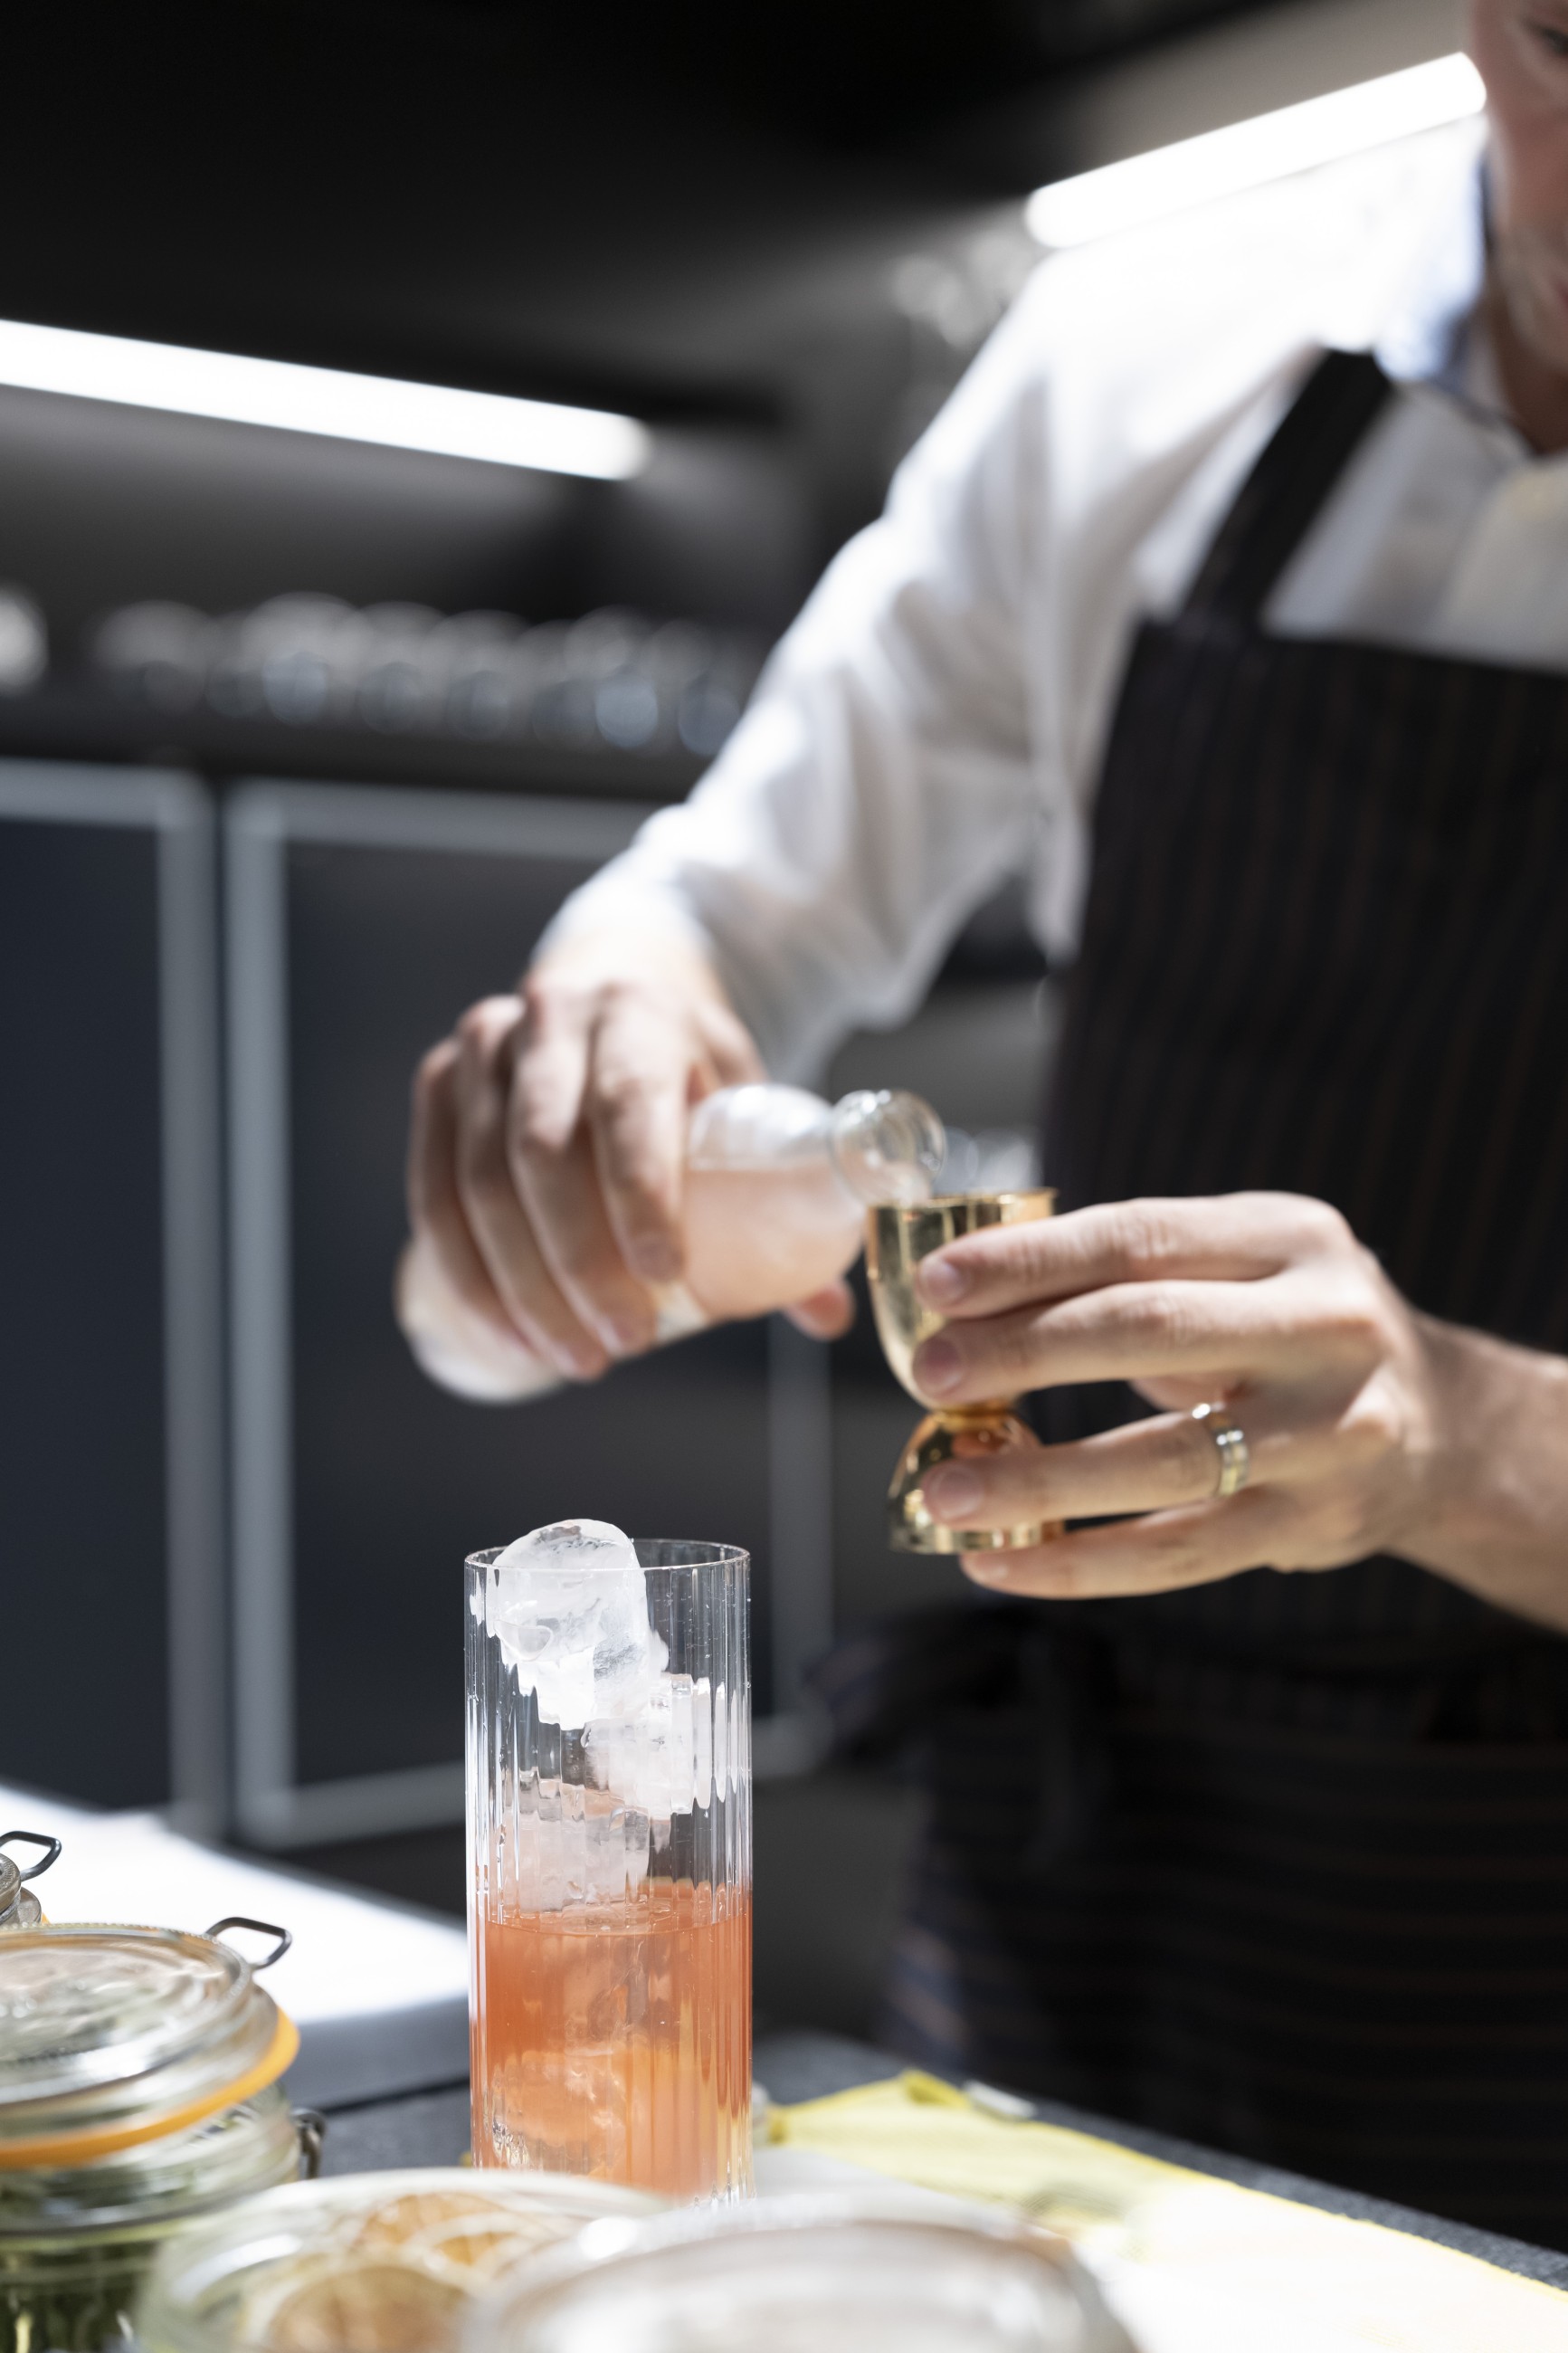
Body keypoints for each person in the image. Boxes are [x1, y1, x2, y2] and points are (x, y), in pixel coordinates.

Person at [401, 0, 1568, 2241]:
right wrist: (614, 1038)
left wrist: (1454, 1433)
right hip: (1084, 1879)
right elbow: (728, 908)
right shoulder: (1156, 362)